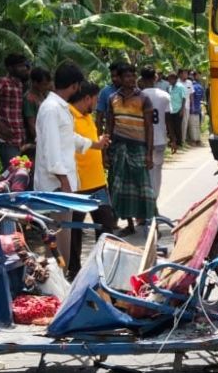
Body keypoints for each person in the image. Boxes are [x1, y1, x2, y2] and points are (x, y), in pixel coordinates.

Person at [35, 63, 109, 267]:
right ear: (75, 86)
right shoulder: (51, 109)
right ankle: (59, 283)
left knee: (64, 236)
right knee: (60, 238)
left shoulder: (60, 107)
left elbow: (69, 137)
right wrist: (65, 183)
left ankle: (63, 277)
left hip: (63, 184)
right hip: (57, 186)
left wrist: (94, 144)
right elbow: (52, 150)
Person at [68, 82, 117, 278]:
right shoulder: (68, 115)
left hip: (98, 183)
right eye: (95, 99)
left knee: (106, 225)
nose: (97, 103)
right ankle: (74, 270)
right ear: (87, 98)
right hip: (79, 185)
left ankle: (103, 268)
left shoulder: (87, 116)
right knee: (74, 230)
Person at [107, 63, 156, 234]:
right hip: (119, 147)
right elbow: (110, 126)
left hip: (138, 148)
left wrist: (149, 154)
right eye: (127, 76)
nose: (131, 79)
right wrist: (106, 151)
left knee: (143, 188)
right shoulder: (112, 98)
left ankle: (150, 224)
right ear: (119, 78)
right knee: (120, 188)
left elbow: (149, 128)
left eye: (132, 76)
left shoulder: (143, 98)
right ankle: (129, 225)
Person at [140, 67, 172, 200]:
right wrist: (173, 138)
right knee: (157, 171)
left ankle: (146, 200)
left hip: (143, 139)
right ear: (155, 78)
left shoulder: (138, 96)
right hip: (160, 139)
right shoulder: (164, 95)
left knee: (145, 172)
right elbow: (169, 120)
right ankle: (154, 199)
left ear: (141, 79)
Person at [0, 53, 31, 171]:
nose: (24, 68)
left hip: (19, 138)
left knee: (20, 171)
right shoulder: (2, 83)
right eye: (20, 66)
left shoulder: (21, 85)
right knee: (13, 172)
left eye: (25, 65)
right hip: (7, 138)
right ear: (10, 68)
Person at [23, 67, 53, 150]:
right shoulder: (29, 99)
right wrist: (40, 140)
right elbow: (31, 123)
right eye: (44, 84)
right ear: (35, 83)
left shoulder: (43, 95)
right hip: (34, 141)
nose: (46, 87)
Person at [96, 63, 123, 134]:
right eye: (112, 76)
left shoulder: (134, 93)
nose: (114, 79)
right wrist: (99, 139)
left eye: (117, 76)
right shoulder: (105, 92)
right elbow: (99, 118)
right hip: (111, 136)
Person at [166, 72, 187, 151]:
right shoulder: (170, 87)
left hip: (178, 109)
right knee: (171, 127)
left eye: (171, 79)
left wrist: (182, 109)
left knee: (178, 127)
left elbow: (184, 98)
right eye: (169, 79)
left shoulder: (180, 87)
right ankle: (172, 142)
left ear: (175, 79)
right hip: (171, 110)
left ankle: (179, 143)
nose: (169, 80)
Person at [177, 69, 193, 147]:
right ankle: (177, 140)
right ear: (180, 74)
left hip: (187, 106)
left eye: (187, 73)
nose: (186, 75)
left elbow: (191, 94)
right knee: (177, 124)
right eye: (184, 73)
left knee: (185, 123)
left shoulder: (189, 82)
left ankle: (183, 140)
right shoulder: (177, 82)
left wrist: (191, 105)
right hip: (177, 106)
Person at [188, 73, 205, 146]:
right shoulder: (200, 87)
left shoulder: (191, 87)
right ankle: (198, 140)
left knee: (192, 125)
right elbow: (201, 97)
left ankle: (193, 141)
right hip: (198, 108)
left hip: (191, 108)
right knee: (197, 125)